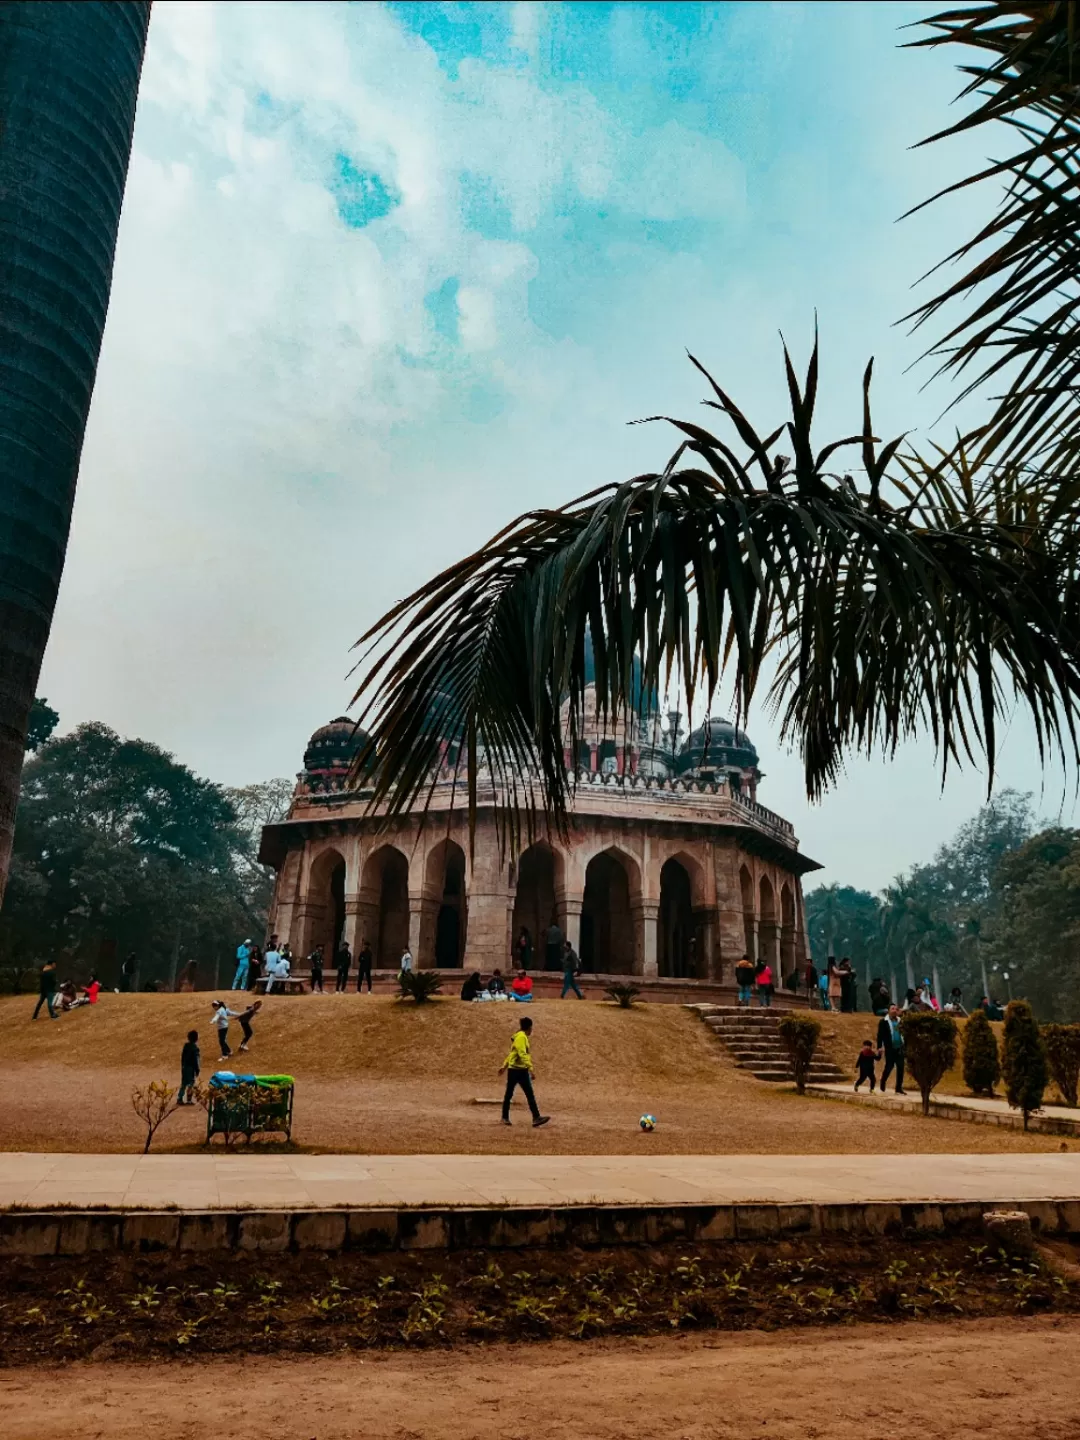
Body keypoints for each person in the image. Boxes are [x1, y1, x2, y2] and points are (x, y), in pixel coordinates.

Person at [499, 1015, 550, 1128]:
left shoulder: (520, 1037)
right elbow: (522, 1054)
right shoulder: (521, 1037)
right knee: (514, 1094)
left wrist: (504, 1066)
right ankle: (505, 1117)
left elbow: (512, 1053)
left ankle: (535, 1117)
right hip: (518, 1070)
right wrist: (530, 1069)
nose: (532, 1030)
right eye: (532, 1027)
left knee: (521, 1094)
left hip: (517, 1069)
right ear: (529, 1027)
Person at [876, 1004, 907, 1095]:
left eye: (896, 1009)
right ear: (888, 1011)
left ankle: (898, 1088)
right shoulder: (883, 1022)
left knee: (901, 1067)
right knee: (889, 1067)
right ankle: (883, 1081)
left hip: (900, 1048)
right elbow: (880, 1035)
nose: (894, 1010)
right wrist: (879, 1047)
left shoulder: (900, 1021)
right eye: (892, 1009)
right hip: (890, 1048)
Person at [180, 1029, 200, 1104]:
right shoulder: (195, 1048)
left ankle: (179, 1098)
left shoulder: (186, 1046)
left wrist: (183, 1066)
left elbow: (182, 1057)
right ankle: (189, 1100)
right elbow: (196, 1060)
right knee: (191, 1083)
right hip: (191, 1068)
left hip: (185, 1067)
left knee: (184, 1083)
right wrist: (197, 1069)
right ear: (196, 1038)